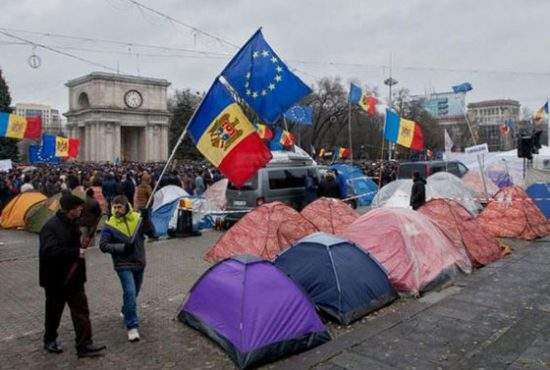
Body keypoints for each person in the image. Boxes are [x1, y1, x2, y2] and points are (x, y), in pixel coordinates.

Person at [39, 194, 106, 358]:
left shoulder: (74, 223)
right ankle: (50, 339)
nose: (81, 209)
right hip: (56, 279)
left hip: (74, 278)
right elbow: (49, 252)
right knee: (54, 312)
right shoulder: (50, 226)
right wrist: (75, 252)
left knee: (81, 312)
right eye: (78, 208)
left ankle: (84, 345)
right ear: (70, 210)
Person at [99, 195, 152, 342]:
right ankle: (132, 326)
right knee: (129, 292)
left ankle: (125, 310)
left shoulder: (138, 219)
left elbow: (152, 233)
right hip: (122, 264)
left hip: (139, 262)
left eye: (119, 207)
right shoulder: (109, 225)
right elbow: (103, 246)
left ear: (126, 206)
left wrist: (147, 218)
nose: (116, 210)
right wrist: (122, 247)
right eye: (114, 207)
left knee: (135, 291)